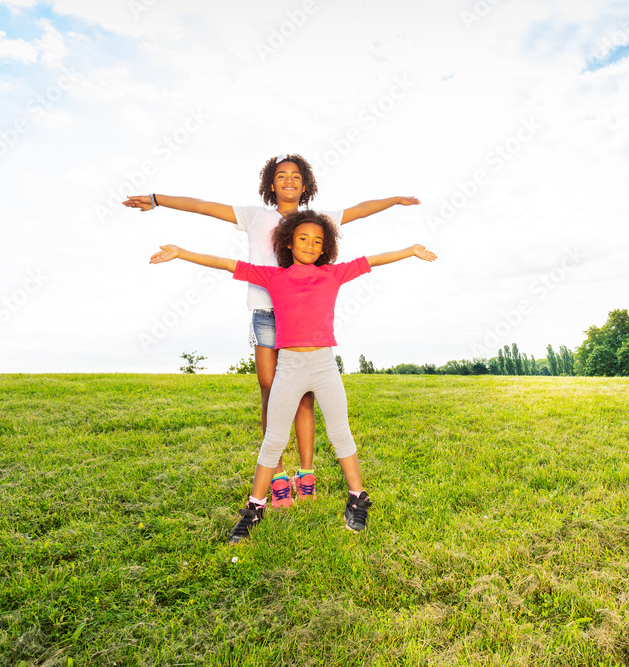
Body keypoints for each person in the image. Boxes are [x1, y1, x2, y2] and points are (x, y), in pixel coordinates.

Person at [125, 154, 420, 507]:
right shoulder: (254, 216)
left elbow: (360, 209)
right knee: (271, 391)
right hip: (267, 313)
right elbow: (203, 207)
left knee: (306, 395)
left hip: (304, 319)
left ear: (306, 183)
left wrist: (396, 201)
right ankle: (278, 474)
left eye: (296, 176)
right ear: (271, 183)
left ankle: (306, 473)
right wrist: (158, 200)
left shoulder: (317, 221)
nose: (289, 181)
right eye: (281, 176)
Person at [149, 209, 436, 540]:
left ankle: (357, 499)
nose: (310, 244)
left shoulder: (333, 274)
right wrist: (181, 252)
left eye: (318, 240)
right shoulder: (273, 277)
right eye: (303, 238)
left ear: (325, 246)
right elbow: (228, 264)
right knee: (273, 439)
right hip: (289, 367)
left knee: (341, 433)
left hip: (325, 366)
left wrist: (411, 250)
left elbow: (371, 260)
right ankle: (255, 507)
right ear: (287, 243)